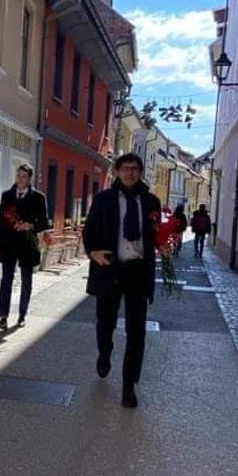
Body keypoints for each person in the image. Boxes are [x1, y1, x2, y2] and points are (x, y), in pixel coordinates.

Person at [82, 153, 161, 409]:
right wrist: (93, 253)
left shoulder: (150, 201)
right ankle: (104, 353)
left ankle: (129, 386)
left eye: (134, 168)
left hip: (138, 272)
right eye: (125, 168)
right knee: (105, 324)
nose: (130, 172)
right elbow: (89, 231)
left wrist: (163, 246)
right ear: (116, 171)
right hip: (110, 268)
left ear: (140, 172)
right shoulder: (104, 199)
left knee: (137, 332)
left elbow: (155, 235)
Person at [0, 164, 49, 330]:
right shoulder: (7, 195)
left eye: (23, 176)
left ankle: (22, 315)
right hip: (8, 244)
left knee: (26, 282)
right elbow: (0, 221)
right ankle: (3, 317)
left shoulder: (38, 197)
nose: (20, 179)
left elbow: (43, 222)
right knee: (6, 281)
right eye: (18, 175)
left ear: (30, 178)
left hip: (27, 244)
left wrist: (30, 225)